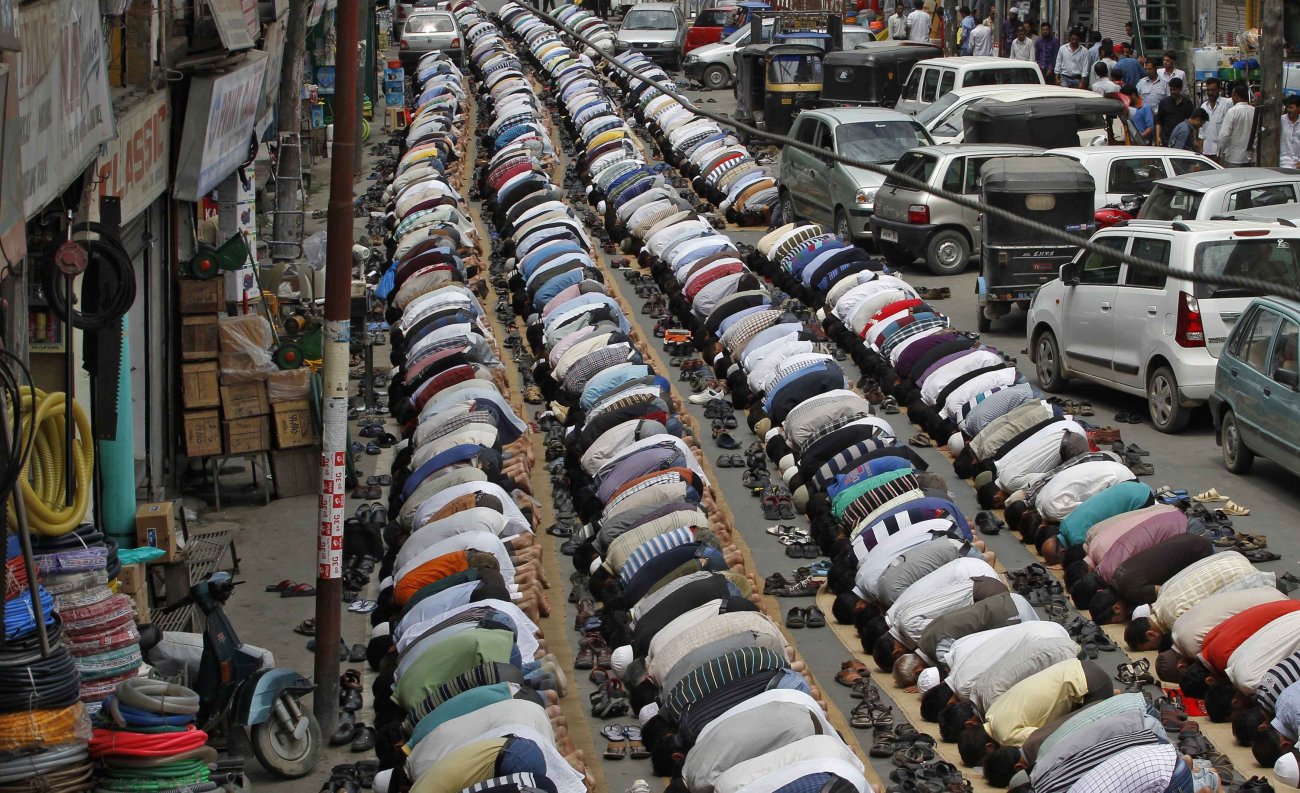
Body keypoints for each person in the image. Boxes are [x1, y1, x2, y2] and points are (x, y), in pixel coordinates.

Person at [1218, 84, 1257, 167]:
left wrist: (1219, 152)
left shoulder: (1232, 112)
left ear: (1236, 95)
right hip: (1251, 158)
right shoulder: (1254, 111)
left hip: (1234, 157)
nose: (1231, 98)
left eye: (1232, 95)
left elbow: (1224, 134)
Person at [1154, 77, 1194, 147]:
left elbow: (1191, 122)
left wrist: (1194, 139)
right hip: (1166, 139)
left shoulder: (1187, 103)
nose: (1172, 92)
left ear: (1180, 89)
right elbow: (1159, 121)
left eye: (1175, 90)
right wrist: (1158, 137)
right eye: (1171, 89)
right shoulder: (1164, 103)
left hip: (1183, 139)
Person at [1199, 77, 1230, 159]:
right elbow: (1201, 130)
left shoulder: (1226, 103)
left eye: (1213, 90)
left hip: (1222, 151)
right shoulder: (1204, 106)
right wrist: (1201, 147)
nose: (1210, 93)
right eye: (1208, 90)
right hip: (1206, 150)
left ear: (1219, 89)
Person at [1281, 95, 1300, 169]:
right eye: (1287, 107)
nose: (1288, 110)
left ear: (1299, 108)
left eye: (1291, 107)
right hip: (1281, 164)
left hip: (1297, 166)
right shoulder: (1281, 120)